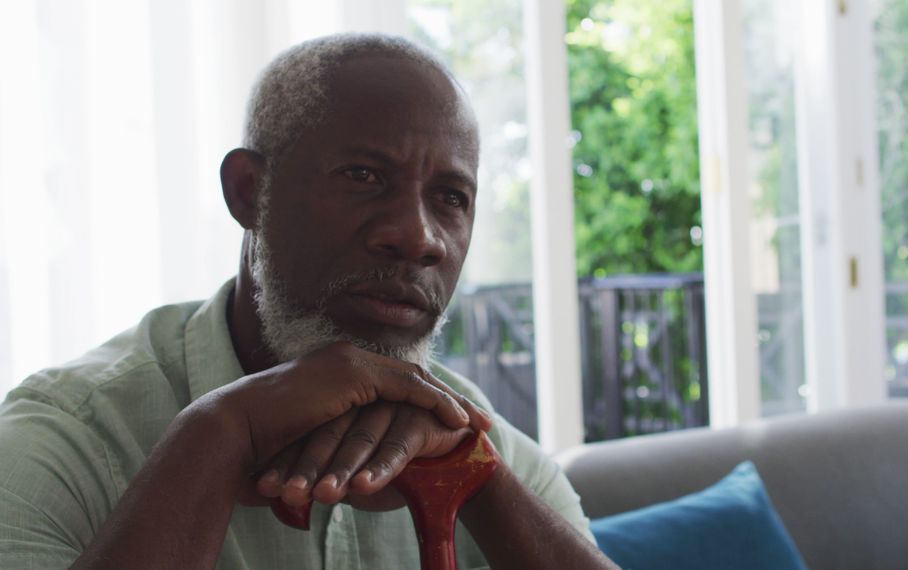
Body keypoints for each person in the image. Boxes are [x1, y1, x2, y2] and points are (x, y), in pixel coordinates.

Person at [0, 33, 615, 569]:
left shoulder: (479, 442)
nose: (418, 236)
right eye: (363, 176)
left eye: (452, 197)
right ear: (249, 191)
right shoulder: (66, 438)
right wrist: (220, 432)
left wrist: (478, 483)